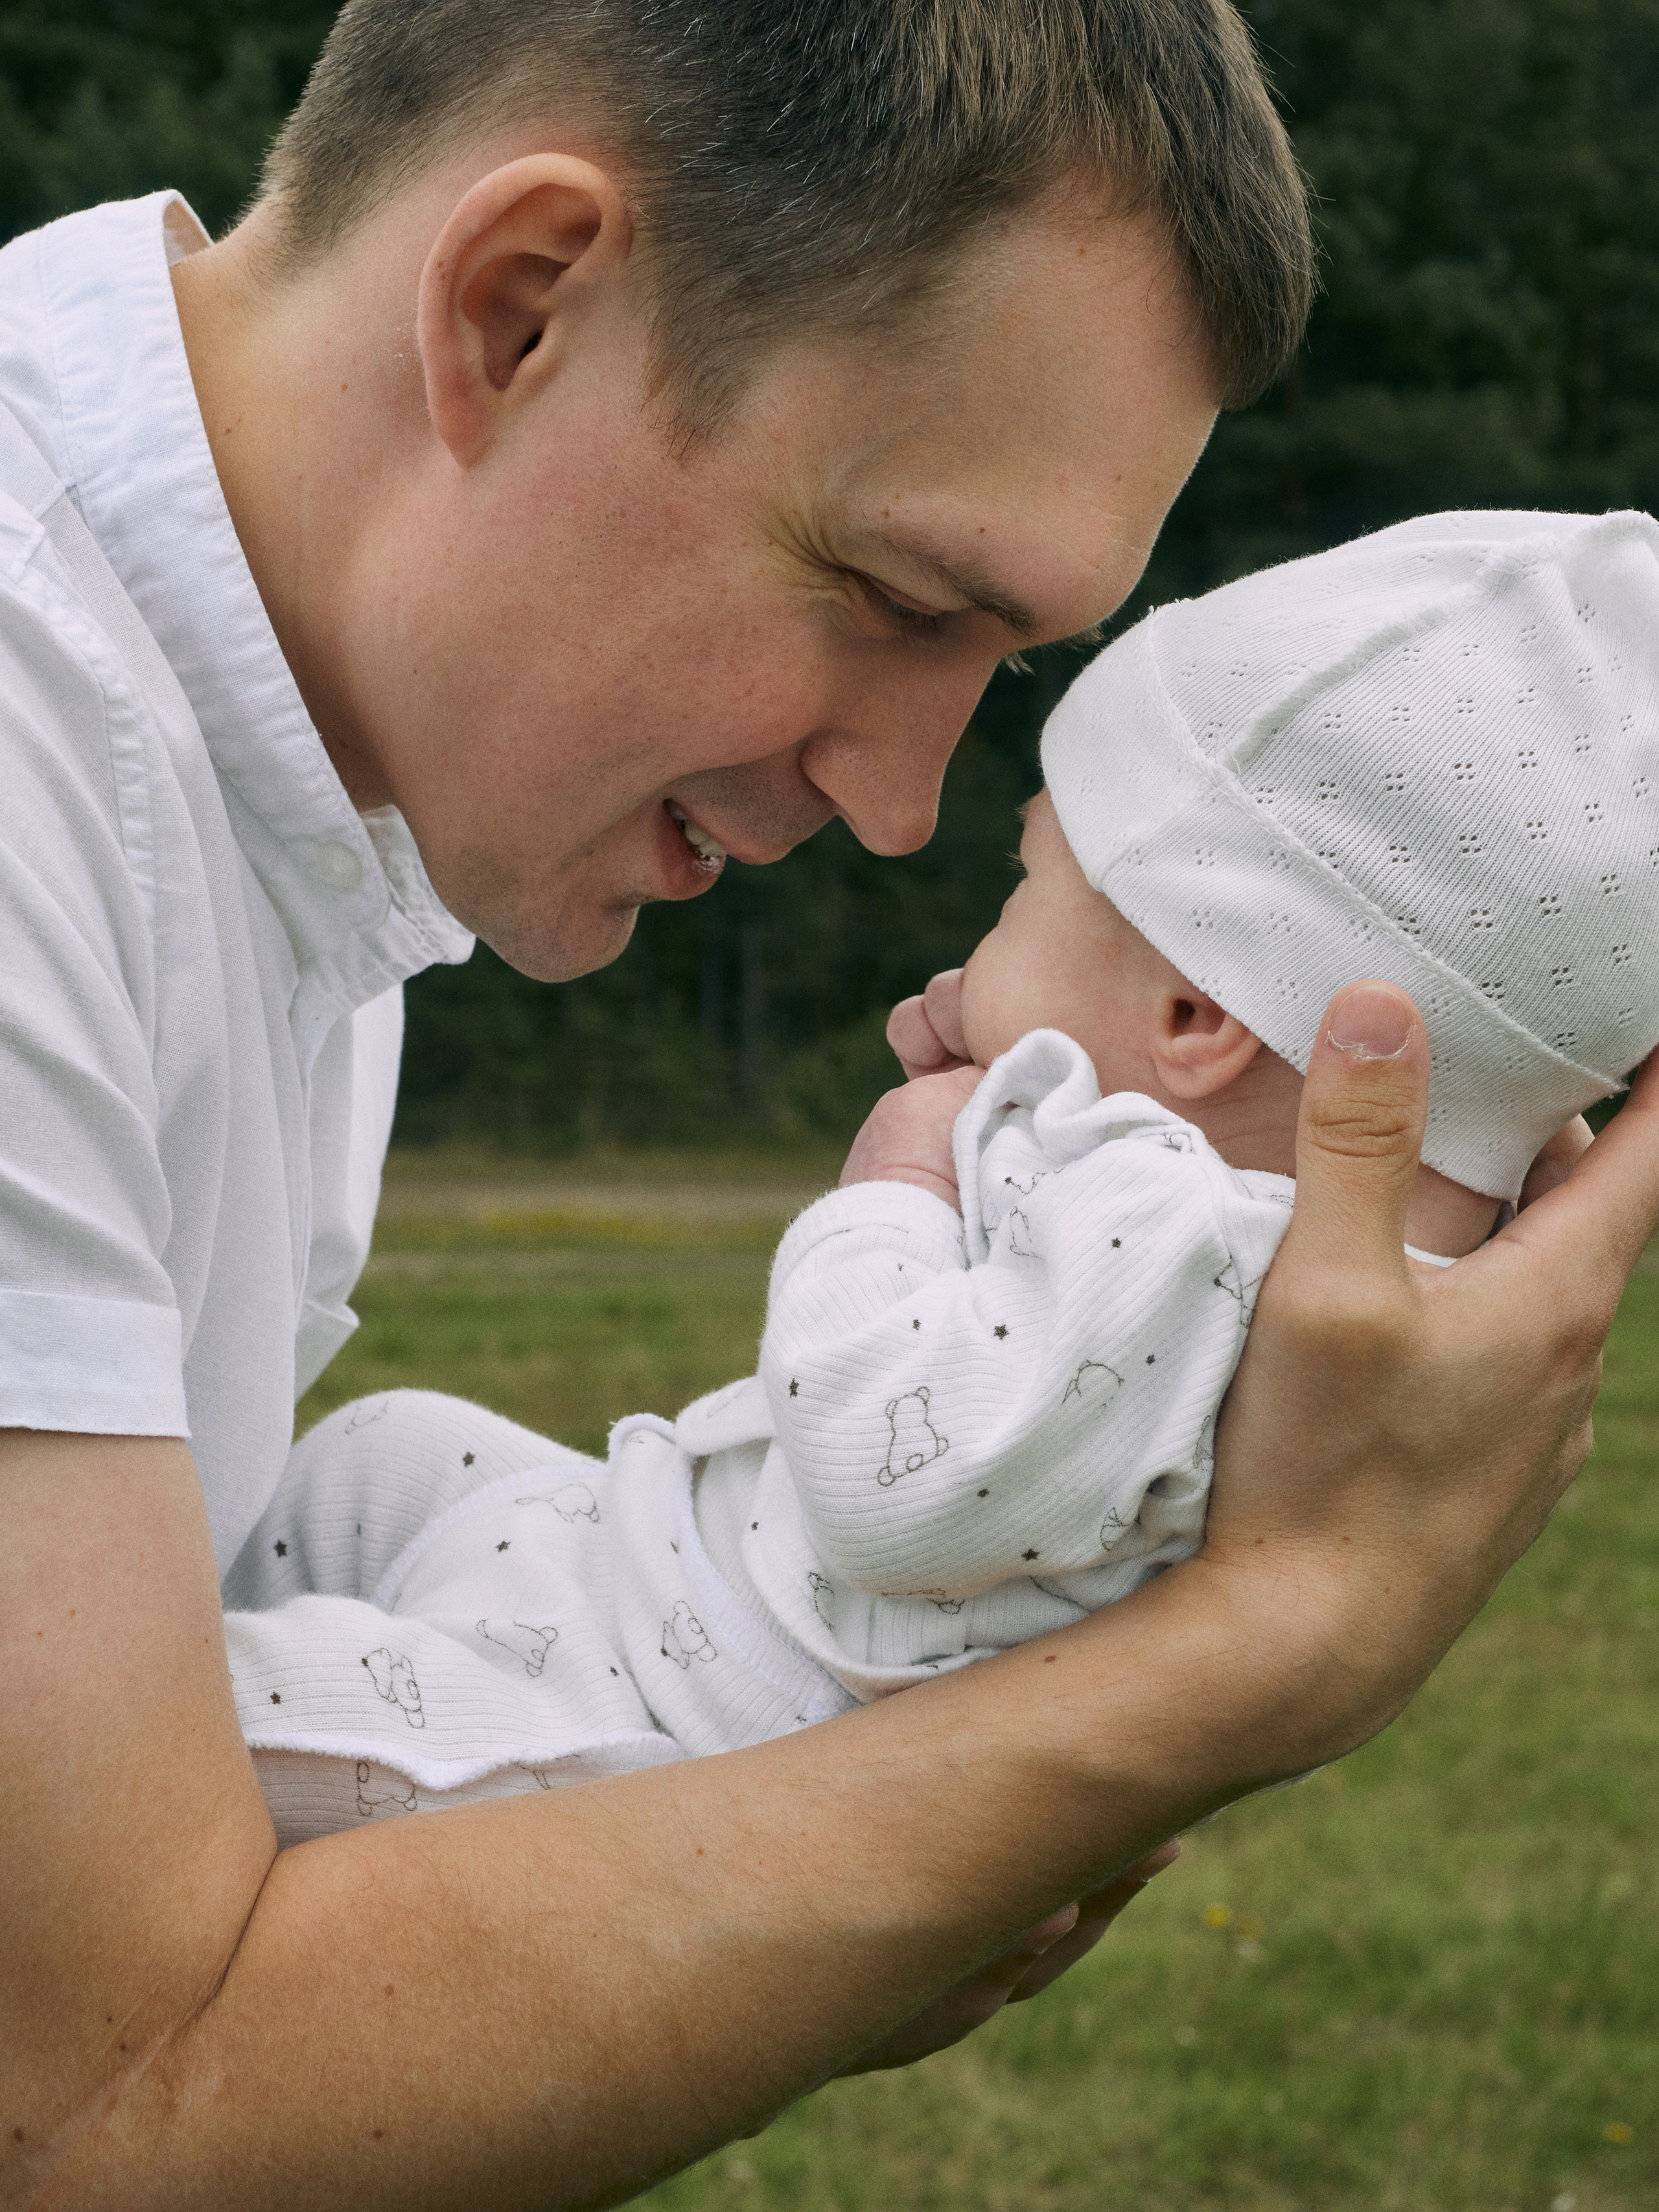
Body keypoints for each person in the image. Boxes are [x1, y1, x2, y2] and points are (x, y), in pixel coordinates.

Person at [1, 4, 1654, 2204]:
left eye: (999, 666)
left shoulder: (280, 778)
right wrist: (1276, 1636)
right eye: (889, 595)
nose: (899, 804)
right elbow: (100, 2105)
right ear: (517, 314)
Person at [221, 506, 1659, 1843]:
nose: (975, 946)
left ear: (1196, 1020)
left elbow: (881, 1476)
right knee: (373, 1460)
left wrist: (896, 1181)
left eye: (1026, 887)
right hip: (641, 1569)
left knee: (221, 1716)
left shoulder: (1179, 1235)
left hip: (646, 1724)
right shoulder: (1305, 1260)